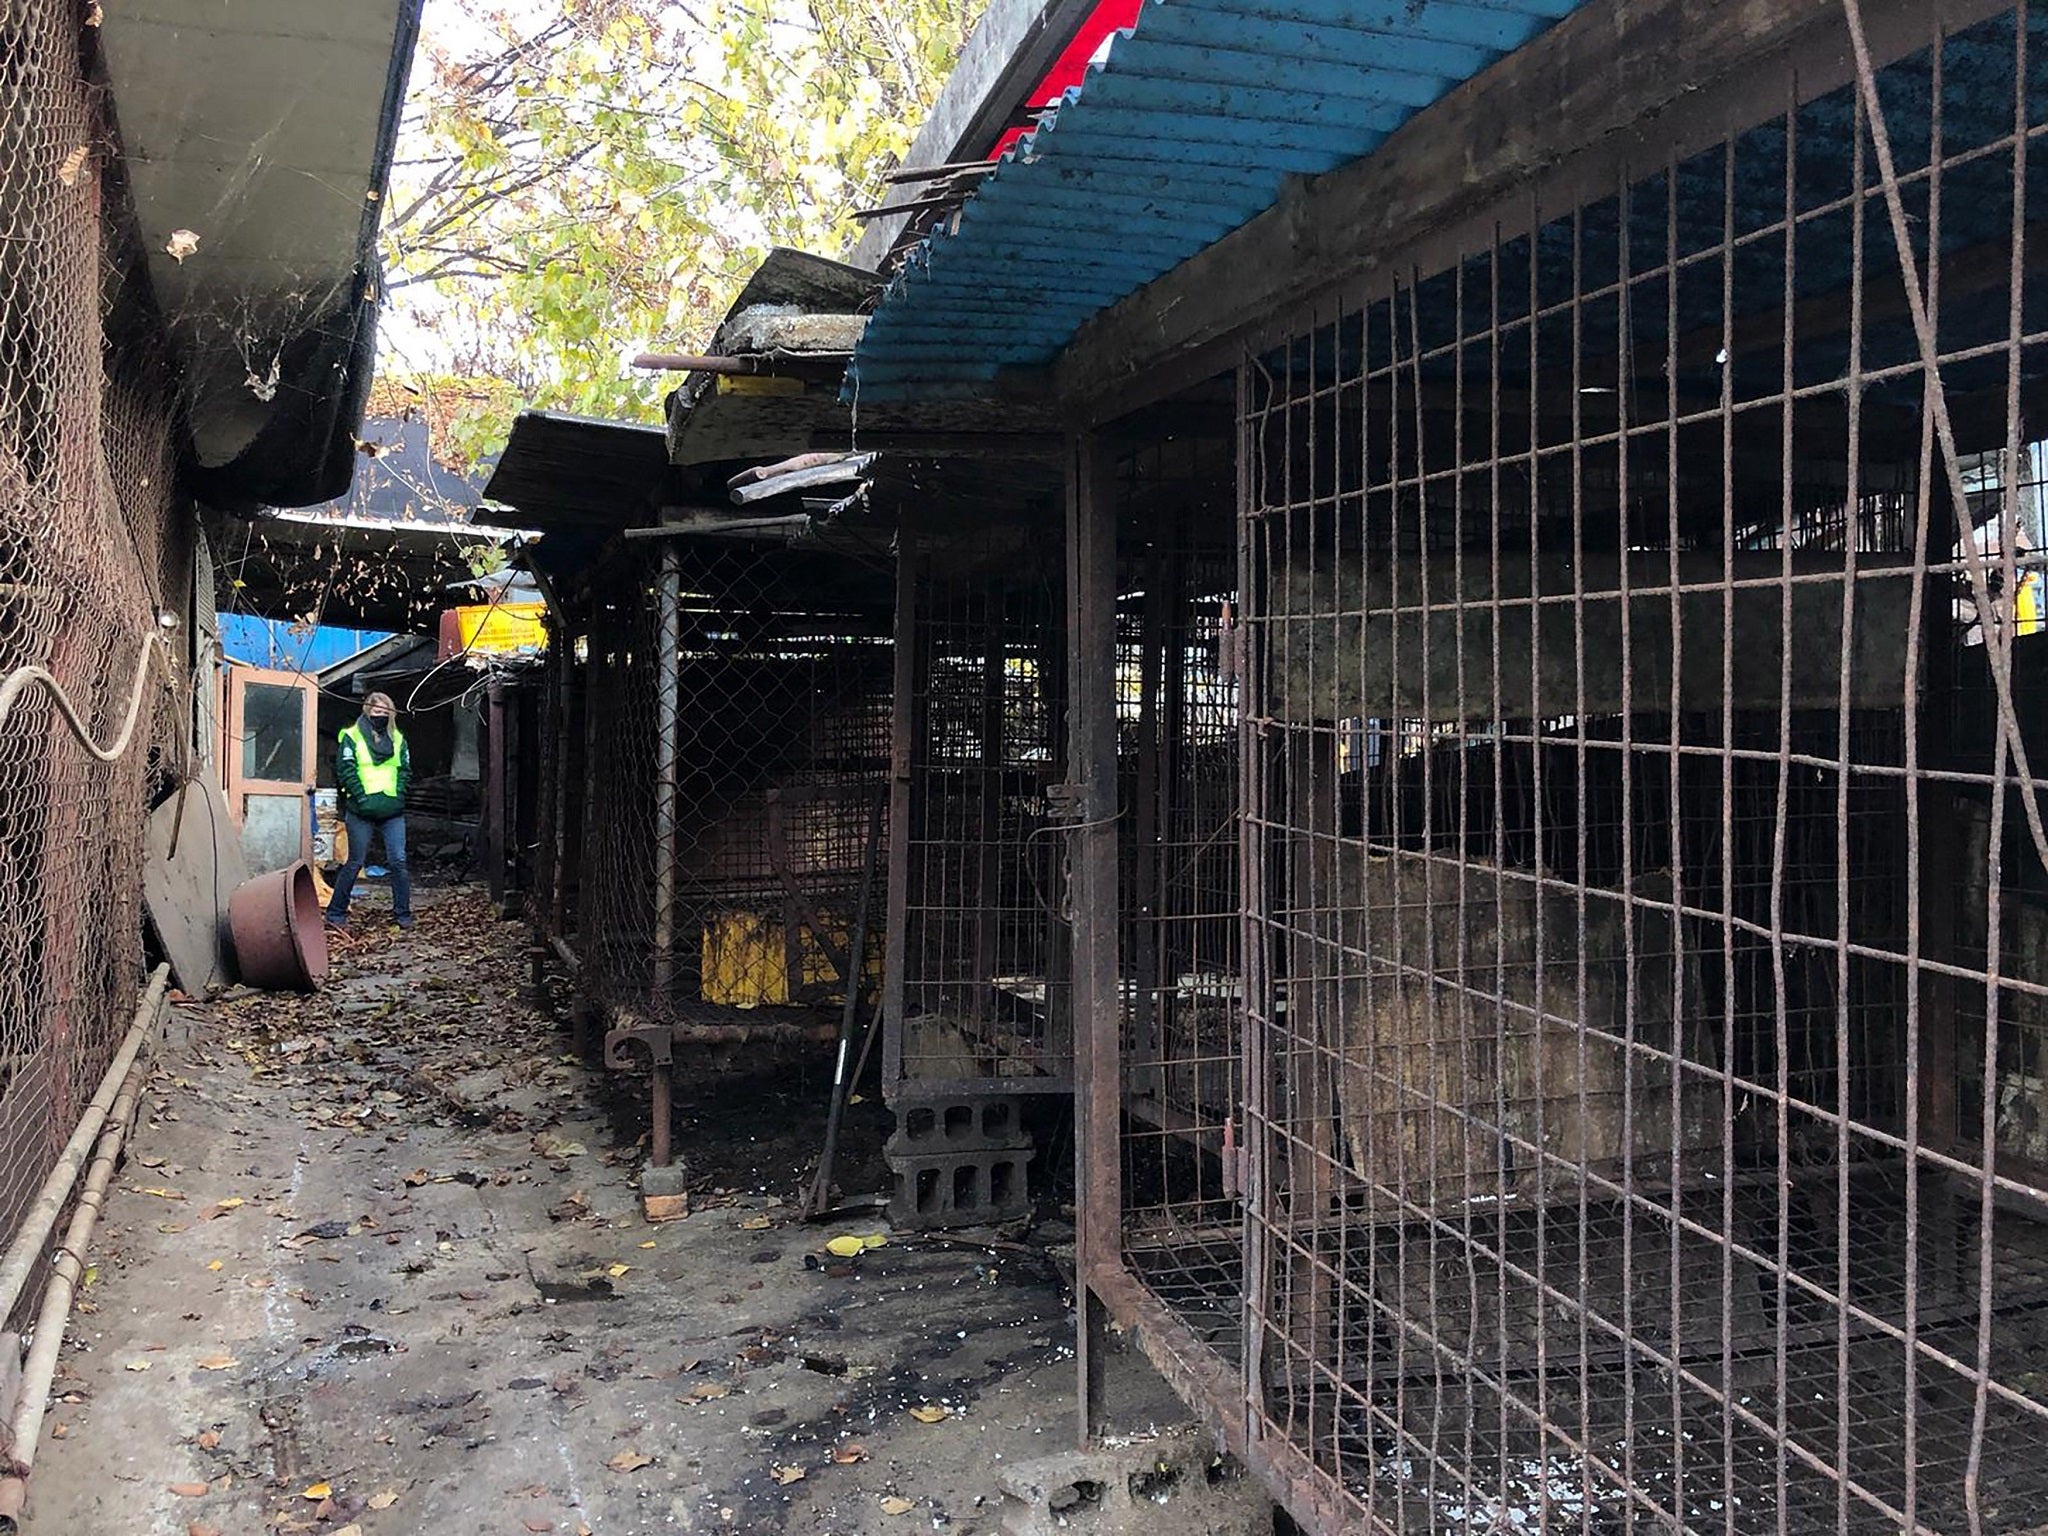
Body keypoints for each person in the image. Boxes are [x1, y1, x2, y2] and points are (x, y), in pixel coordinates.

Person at [327, 691, 413, 931]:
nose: (381, 716)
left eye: (386, 712)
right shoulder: (352, 736)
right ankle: (335, 913)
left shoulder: (397, 738)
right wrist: (360, 796)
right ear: (367, 711)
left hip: (392, 809)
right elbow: (345, 770)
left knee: (399, 861)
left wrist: (399, 794)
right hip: (360, 808)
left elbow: (405, 770)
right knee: (355, 862)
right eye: (377, 712)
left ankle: (403, 914)